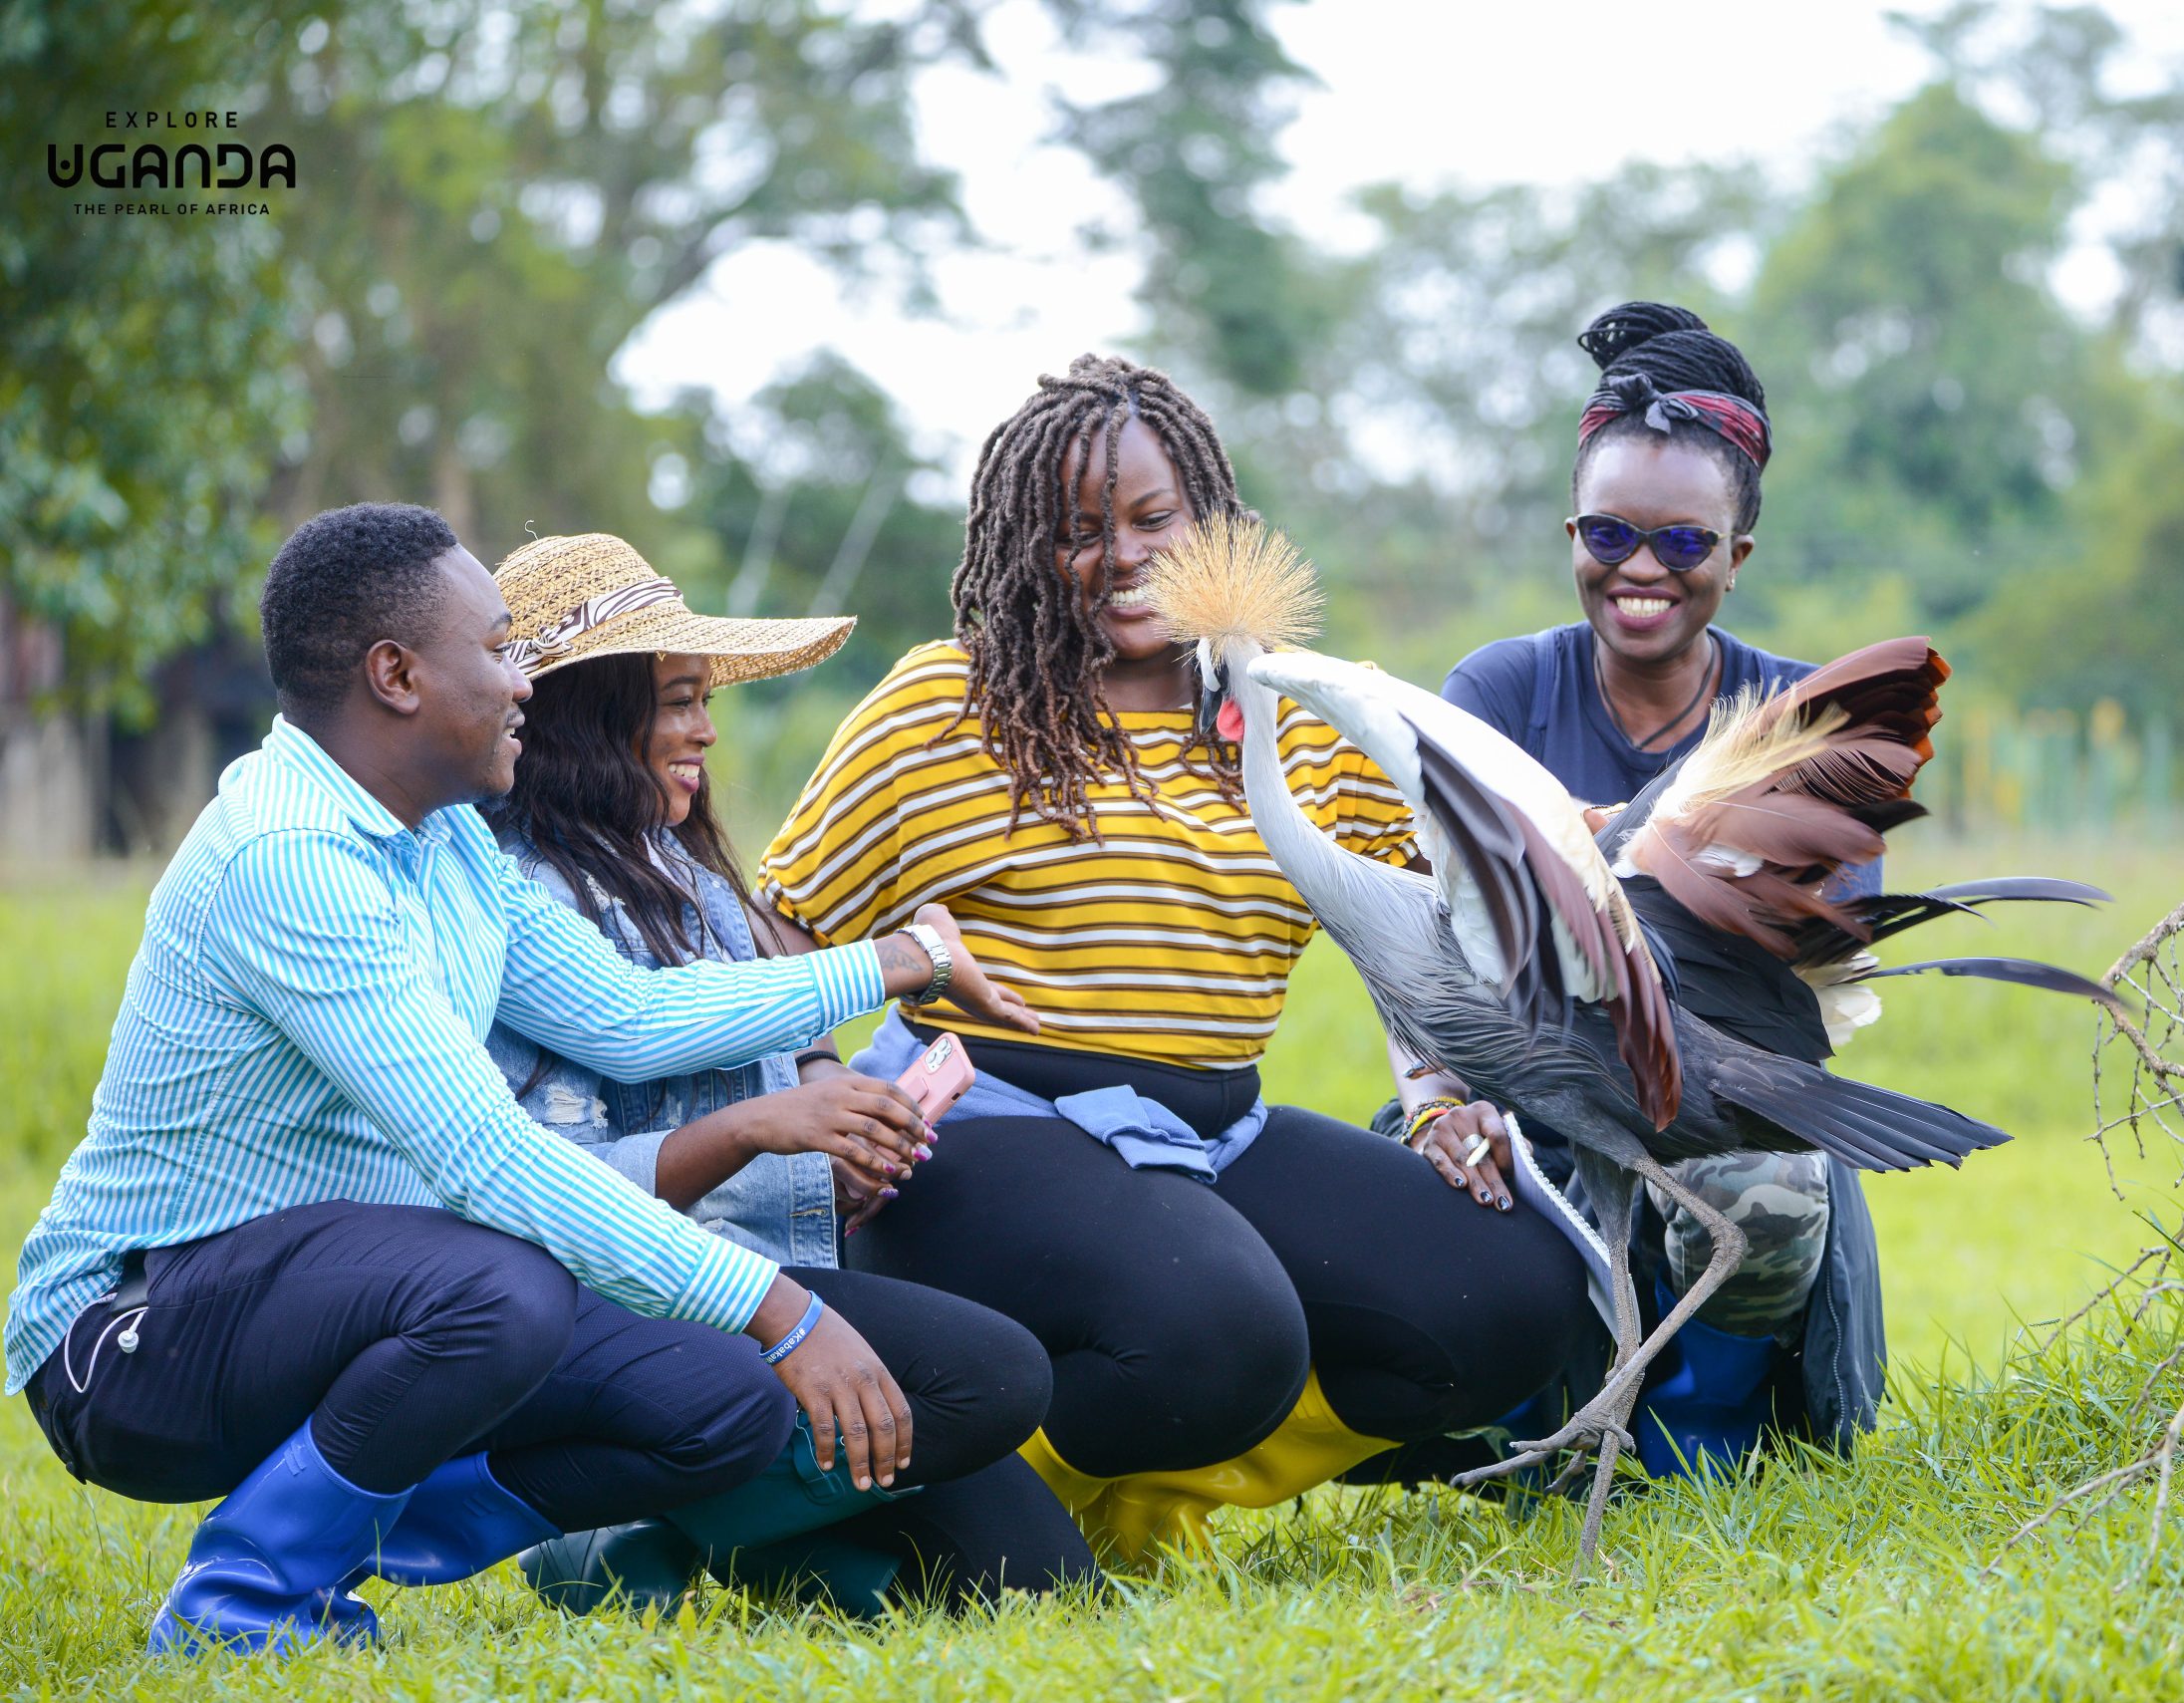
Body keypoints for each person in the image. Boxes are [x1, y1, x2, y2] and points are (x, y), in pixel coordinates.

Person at [3, 503, 1029, 1655]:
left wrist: (893, 960)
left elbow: (627, 1017)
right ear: (396, 675)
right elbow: (487, 1158)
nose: (522, 683)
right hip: (136, 1336)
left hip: (355, 1294)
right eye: (496, 650)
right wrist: (781, 1306)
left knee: (725, 1398)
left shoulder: (444, 840)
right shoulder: (292, 857)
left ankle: (358, 1533)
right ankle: (241, 1600)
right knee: (507, 1283)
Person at [758, 356, 1595, 1561]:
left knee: (1508, 1291)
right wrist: (814, 1099)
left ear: (1212, 521)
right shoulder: (944, 706)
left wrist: (1436, 1094)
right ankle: (926, 1490)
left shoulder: (1298, 717)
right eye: (1077, 531)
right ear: (1026, 546)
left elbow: (1415, 919)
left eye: (1155, 518)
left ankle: (1149, 1500)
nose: (1123, 556)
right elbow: (778, 923)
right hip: (981, 1138)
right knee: (1215, 1324)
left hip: (1214, 1132)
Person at [476, 530, 1092, 1609]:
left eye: (705, 698)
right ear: (585, 715)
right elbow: (557, 1198)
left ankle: (721, 1530)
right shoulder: (521, 898)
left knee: (1036, 1582)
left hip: (774, 1266)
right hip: (642, 1305)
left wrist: (832, 1127)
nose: (705, 729)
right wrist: (762, 1127)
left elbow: (768, 1028)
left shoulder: (680, 866)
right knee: (994, 1376)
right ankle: (608, 1513)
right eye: (677, 701)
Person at [1415, 301, 1888, 1472]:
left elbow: (1794, 982)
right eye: (1608, 531)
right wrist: (1437, 1100)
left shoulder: (1808, 722)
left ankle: (1705, 1433)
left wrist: (1582, 859)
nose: (1639, 568)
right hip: (1524, 1100)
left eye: (1682, 542)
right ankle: (1537, 1425)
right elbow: (1438, 932)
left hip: (1716, 1103)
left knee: (1763, 1181)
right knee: (1430, 1198)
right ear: (1571, 533)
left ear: (1736, 557)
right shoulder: (1496, 693)